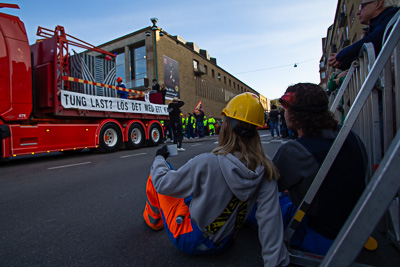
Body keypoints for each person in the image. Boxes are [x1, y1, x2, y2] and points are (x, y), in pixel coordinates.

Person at [143, 92, 289, 266]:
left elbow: (162, 184)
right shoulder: (265, 170)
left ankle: (153, 220)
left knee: (158, 174)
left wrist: (159, 158)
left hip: (190, 240)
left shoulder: (207, 162)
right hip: (224, 240)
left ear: (226, 126)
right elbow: (270, 222)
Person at [273, 83, 367, 255]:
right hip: (356, 227)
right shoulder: (350, 135)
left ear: (295, 113)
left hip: (320, 235)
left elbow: (268, 187)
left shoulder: (294, 150)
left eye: (285, 109)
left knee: (258, 204)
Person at [328, 0, 400, 70]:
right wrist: (341, 61)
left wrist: (341, 55)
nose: (358, 12)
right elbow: (360, 57)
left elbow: (373, 41)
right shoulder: (379, 24)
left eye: (362, 6)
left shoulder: (393, 18)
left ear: (378, 3)